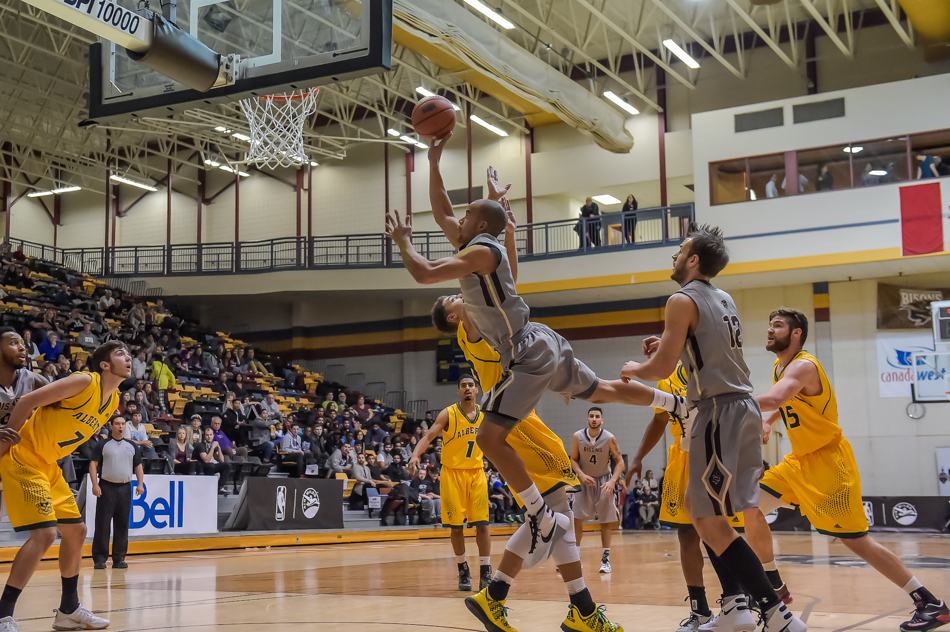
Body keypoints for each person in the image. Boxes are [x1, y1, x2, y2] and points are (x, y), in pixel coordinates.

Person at [406, 156, 687, 632]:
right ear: (454, 317)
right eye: (455, 300)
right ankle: (563, 606)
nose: (460, 295)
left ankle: (517, 595)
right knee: (554, 508)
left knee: (554, 508)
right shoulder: (468, 322)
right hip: (520, 393)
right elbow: (460, 238)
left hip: (525, 385)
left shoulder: (476, 289)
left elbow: (464, 234)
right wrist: (492, 213)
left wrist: (447, 173)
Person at [619, 224, 804, 632]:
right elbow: (702, 349)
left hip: (718, 412)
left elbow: (663, 368)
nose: (674, 255)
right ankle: (739, 609)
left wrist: (637, 369)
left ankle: (776, 614)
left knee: (704, 519)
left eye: (680, 249)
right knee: (709, 516)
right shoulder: (724, 297)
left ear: (694, 259)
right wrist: (674, 342)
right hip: (740, 407)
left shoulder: (679, 299)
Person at [746, 308, 949, 632]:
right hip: (798, 462)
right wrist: (770, 422)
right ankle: (775, 587)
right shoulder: (779, 365)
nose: (770, 330)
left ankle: (929, 602)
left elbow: (777, 397)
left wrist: (729, 403)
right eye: (770, 325)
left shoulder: (804, 365)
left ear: (796, 333)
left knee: (857, 542)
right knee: (750, 507)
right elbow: (787, 405)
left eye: (778, 326)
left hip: (828, 463)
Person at [0, 341, 131, 631]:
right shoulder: (85, 381)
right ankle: (3, 613)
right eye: (120, 353)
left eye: (129, 354)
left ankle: (68, 610)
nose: (128, 358)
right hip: (24, 458)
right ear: (105, 364)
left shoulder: (112, 401)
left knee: (77, 531)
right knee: (45, 534)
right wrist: (3, 444)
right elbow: (26, 402)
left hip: (49, 466)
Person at [625, 361, 740, 631]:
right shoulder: (666, 377)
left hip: (712, 455)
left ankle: (737, 601)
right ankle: (699, 611)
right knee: (686, 535)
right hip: (681, 458)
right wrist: (639, 457)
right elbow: (659, 419)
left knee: (718, 534)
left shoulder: (712, 366)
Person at [409, 376, 492, 591]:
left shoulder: (485, 415)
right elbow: (428, 437)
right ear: (458, 391)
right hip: (452, 474)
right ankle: (463, 570)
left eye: (471, 385)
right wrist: (415, 454)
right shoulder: (448, 414)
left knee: (482, 525)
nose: (467, 389)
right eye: (463, 385)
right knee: (456, 527)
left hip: (477, 473)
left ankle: (486, 571)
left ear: (476, 390)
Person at [570, 407, 624, 575]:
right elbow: (573, 459)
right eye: (591, 416)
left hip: (604, 481)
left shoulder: (609, 438)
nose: (594, 419)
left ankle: (606, 559)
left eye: (597, 417)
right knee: (577, 519)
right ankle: (575, 557)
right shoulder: (577, 436)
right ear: (587, 419)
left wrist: (613, 481)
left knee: (605, 521)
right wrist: (581, 474)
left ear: (602, 420)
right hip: (584, 480)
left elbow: (620, 462)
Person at [89, 415, 144, 570]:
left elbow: (138, 466)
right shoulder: (103, 444)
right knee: (102, 524)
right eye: (117, 424)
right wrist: (95, 484)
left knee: (122, 524)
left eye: (122, 424)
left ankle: (119, 558)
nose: (120, 426)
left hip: (125, 488)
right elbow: (93, 464)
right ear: (111, 426)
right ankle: (100, 559)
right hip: (106, 487)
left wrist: (140, 484)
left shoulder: (132, 445)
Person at [194, 426, 231, 494]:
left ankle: (219, 487)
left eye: (211, 435)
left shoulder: (212, 444)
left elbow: (222, 460)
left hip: (209, 465)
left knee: (226, 465)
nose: (209, 437)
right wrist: (212, 448)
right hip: (200, 466)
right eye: (207, 435)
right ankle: (209, 488)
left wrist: (219, 448)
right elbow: (206, 460)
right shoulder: (201, 445)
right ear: (204, 436)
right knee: (211, 465)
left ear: (213, 435)